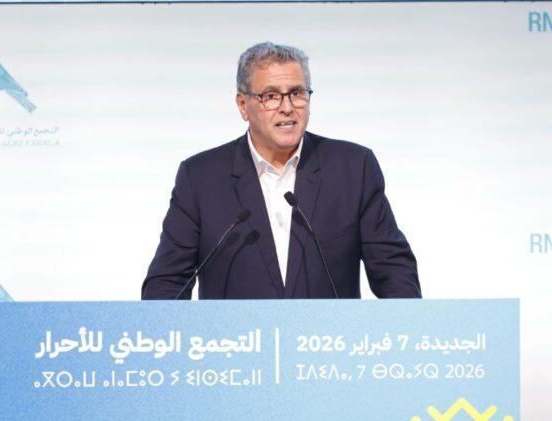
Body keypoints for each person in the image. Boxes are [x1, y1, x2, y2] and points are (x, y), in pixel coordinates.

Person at [142, 42, 420, 300]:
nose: (287, 108)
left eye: (297, 93)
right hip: (238, 338)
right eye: (271, 96)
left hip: (327, 337)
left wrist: (407, 329)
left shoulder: (353, 168)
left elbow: (394, 272)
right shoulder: (200, 178)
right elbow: (166, 286)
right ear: (243, 105)